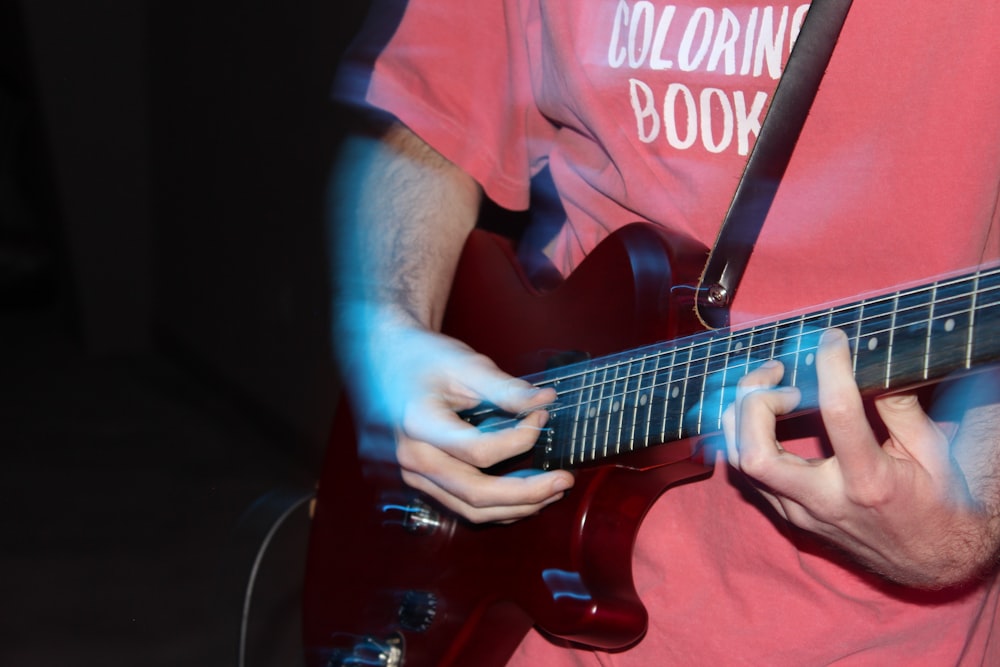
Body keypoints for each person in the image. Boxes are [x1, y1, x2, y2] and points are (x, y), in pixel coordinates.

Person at [329, 1, 1000, 664]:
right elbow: (426, 114)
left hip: (861, 634)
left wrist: (963, 534)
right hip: (516, 602)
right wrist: (388, 333)